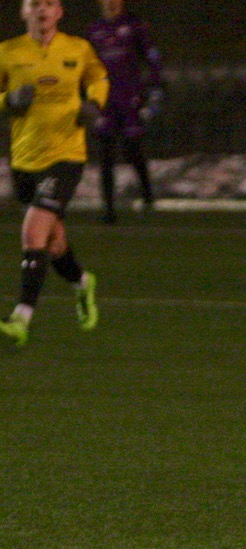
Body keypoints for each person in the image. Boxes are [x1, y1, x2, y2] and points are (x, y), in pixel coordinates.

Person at [0, 0, 108, 347]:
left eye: (49, 3)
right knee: (53, 242)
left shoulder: (77, 48)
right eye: (35, 3)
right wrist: (8, 101)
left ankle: (21, 317)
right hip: (24, 159)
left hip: (66, 156)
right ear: (24, 12)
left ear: (59, 11)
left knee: (33, 232)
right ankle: (82, 282)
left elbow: (99, 77)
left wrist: (94, 103)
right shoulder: (8, 52)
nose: (42, 10)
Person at [86, 0, 163, 224]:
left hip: (130, 99)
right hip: (104, 101)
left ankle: (147, 197)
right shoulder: (94, 30)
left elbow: (152, 56)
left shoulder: (134, 25)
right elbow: (86, 66)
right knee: (105, 153)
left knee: (133, 149)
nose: (111, 3)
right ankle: (108, 209)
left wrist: (155, 89)